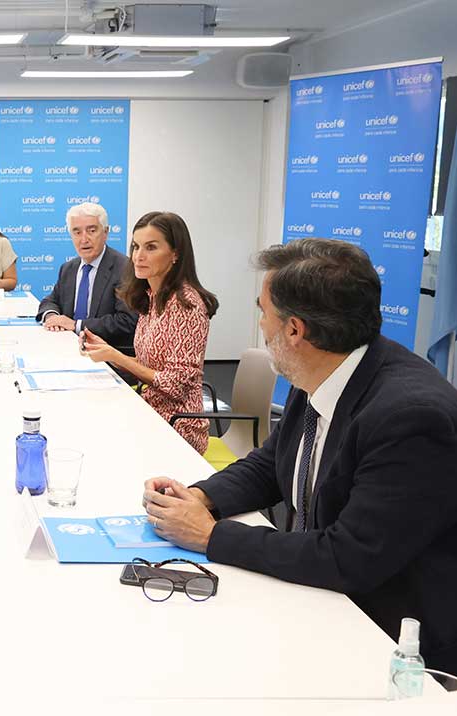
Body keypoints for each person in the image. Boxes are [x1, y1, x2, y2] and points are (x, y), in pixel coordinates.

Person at [141, 238, 457, 675]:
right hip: (323, 600)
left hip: (390, 642)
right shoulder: (324, 369)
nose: (260, 325)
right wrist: (201, 498)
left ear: (295, 330)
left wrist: (210, 536)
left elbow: (349, 557)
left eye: (263, 313)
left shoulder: (409, 418)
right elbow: (273, 463)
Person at [81, 211, 218, 454]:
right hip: (149, 410)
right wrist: (108, 351)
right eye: (135, 247)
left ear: (175, 254)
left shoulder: (187, 305)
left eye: (151, 247)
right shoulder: (151, 298)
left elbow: (174, 385)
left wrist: (116, 357)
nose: (138, 257)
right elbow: (150, 365)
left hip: (177, 426)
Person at [36, 201, 137, 345]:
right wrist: (52, 317)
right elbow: (50, 300)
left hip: (107, 354)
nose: (84, 239)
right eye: (77, 232)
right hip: (67, 346)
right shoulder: (68, 268)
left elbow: (127, 321)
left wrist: (77, 325)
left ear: (106, 232)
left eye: (91, 230)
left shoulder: (124, 268)